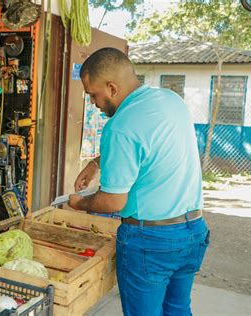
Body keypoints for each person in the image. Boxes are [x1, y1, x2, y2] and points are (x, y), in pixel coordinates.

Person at [68, 48, 210, 315]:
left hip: (151, 242)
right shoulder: (170, 100)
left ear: (111, 88)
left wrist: (79, 203)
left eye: (93, 95)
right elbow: (149, 147)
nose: (93, 103)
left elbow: (112, 201)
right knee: (178, 309)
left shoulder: (119, 126)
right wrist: (95, 163)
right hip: (193, 231)